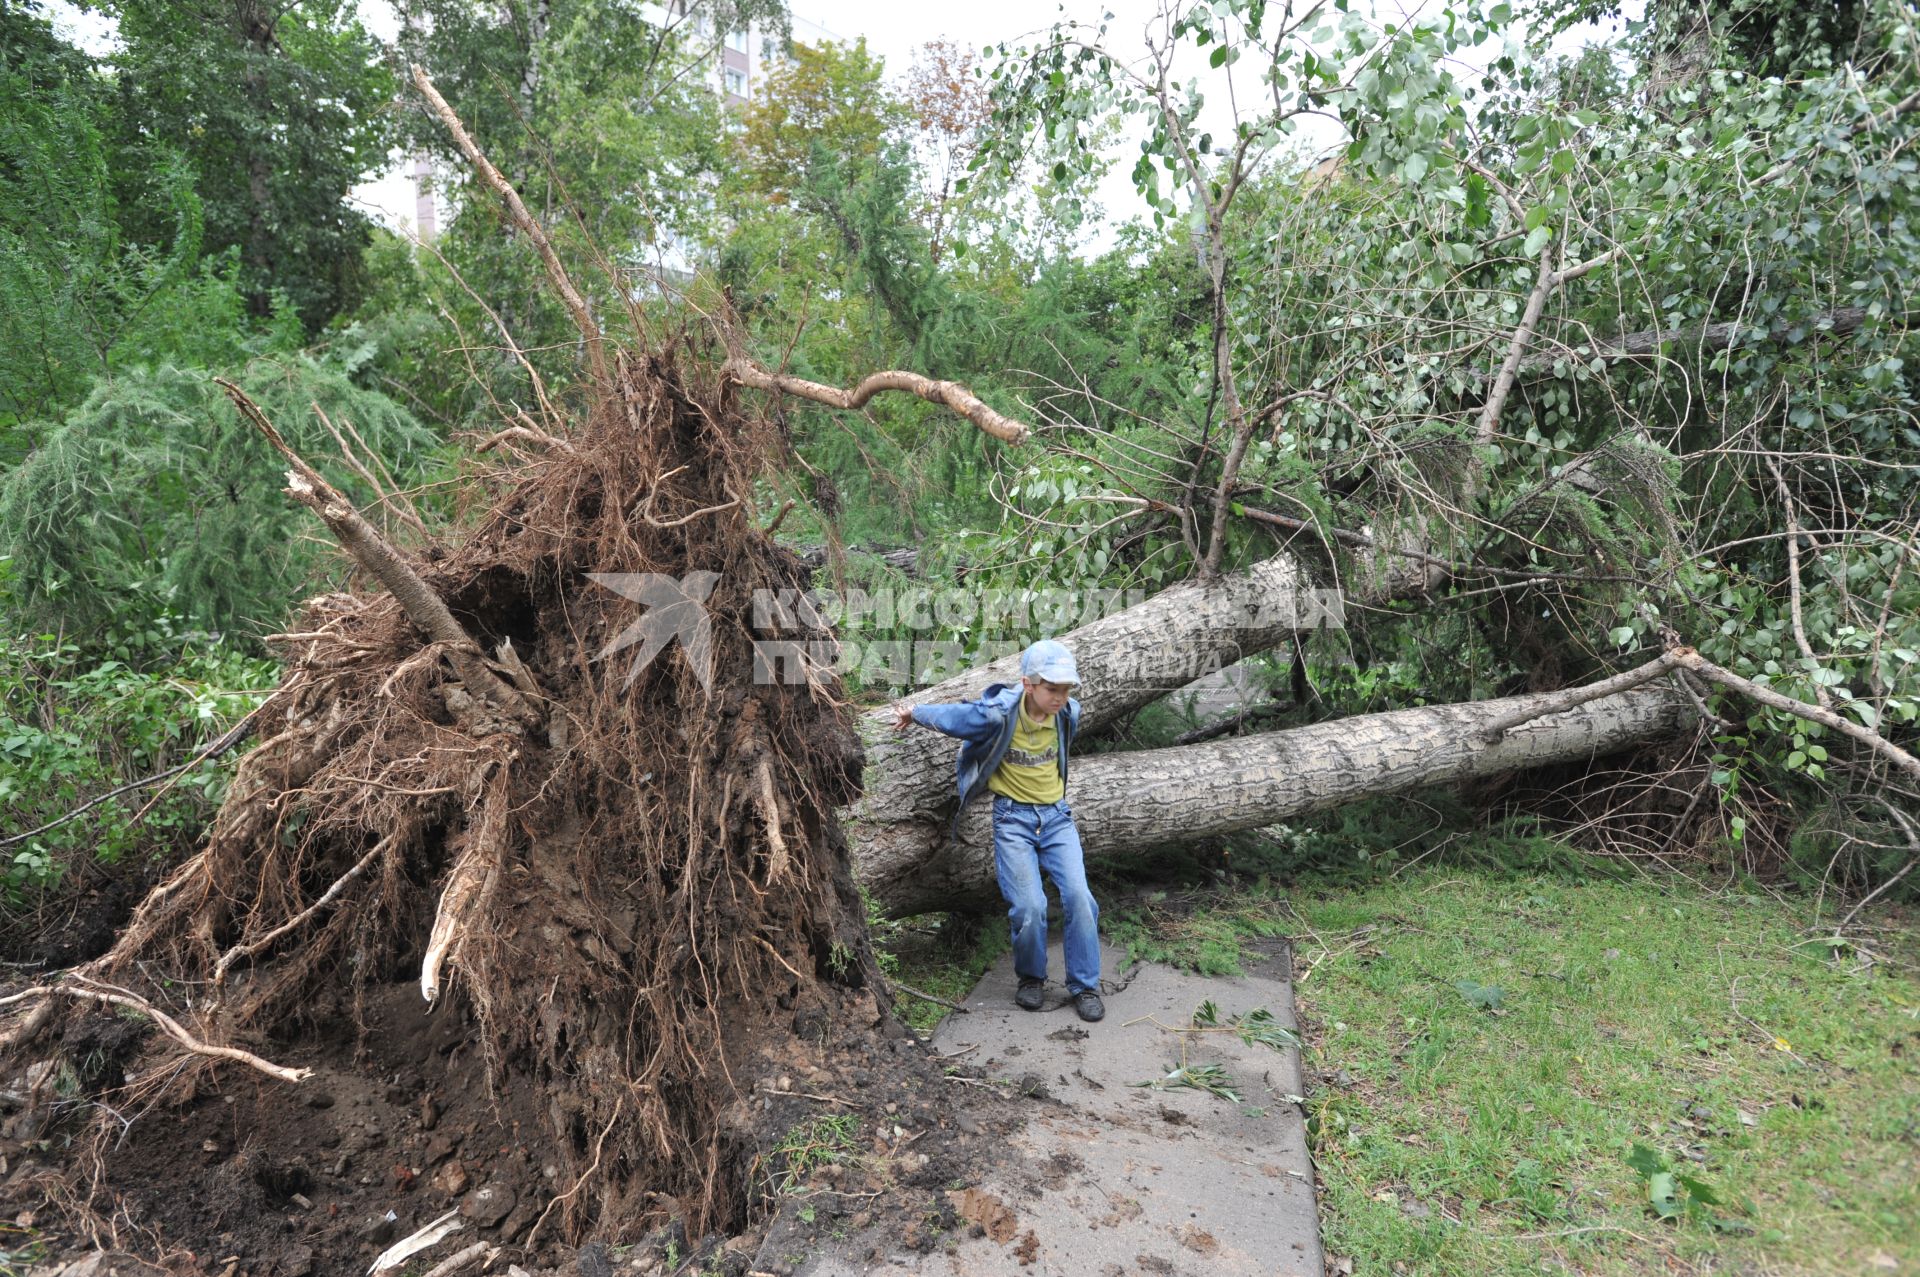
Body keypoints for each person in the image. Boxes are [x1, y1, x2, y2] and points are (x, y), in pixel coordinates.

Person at [891, 639, 1104, 1022]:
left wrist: (1063, 700)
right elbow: (962, 717)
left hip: (1057, 820)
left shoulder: (1067, 713)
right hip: (1013, 821)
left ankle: (1085, 986)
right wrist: (915, 712)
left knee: (1080, 899)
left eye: (1065, 689)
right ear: (1028, 684)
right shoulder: (1001, 713)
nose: (1060, 697)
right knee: (1029, 906)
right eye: (1051, 688)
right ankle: (1032, 979)